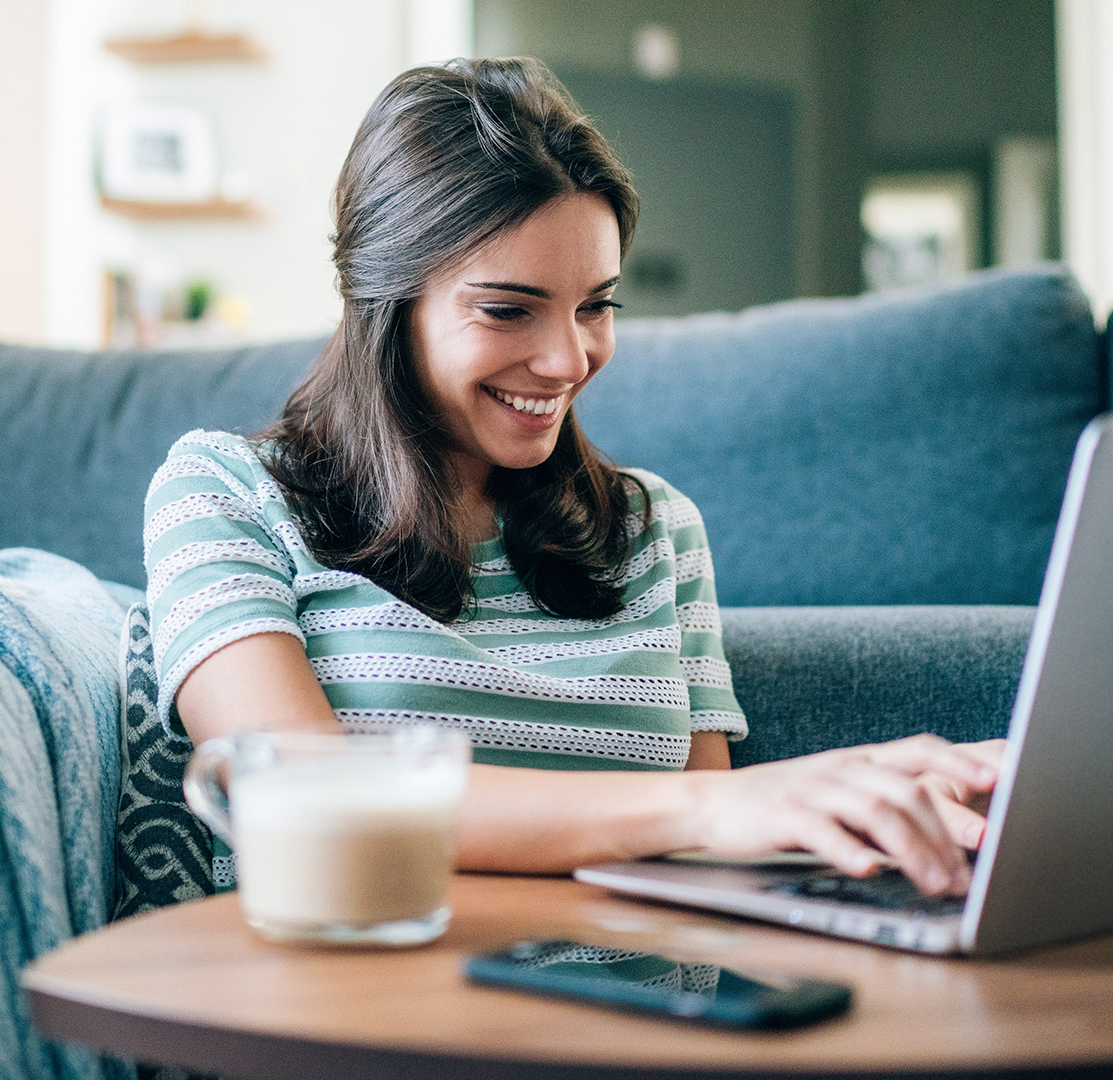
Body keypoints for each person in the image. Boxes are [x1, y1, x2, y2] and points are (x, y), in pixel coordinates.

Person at [142, 57, 1000, 898]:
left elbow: (712, 867)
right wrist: (712, 803)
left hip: (645, 1018)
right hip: (358, 1009)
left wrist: (871, 811)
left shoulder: (655, 528)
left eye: (596, 305)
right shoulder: (225, 494)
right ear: (383, 300)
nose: (567, 359)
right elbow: (297, 798)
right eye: (508, 309)